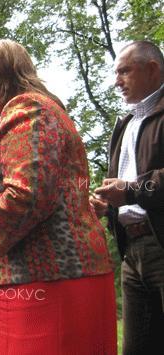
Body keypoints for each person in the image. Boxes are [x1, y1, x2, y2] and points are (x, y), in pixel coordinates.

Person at [0, 39, 116, 354]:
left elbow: (27, 194)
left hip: (47, 281)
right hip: (51, 280)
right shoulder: (45, 109)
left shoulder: (26, 109)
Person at [90, 41, 164, 354]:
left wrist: (131, 191)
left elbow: (132, 188)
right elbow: (123, 189)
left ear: (152, 69)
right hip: (131, 252)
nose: (116, 80)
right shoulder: (125, 124)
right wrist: (107, 206)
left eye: (124, 71)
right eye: (115, 72)